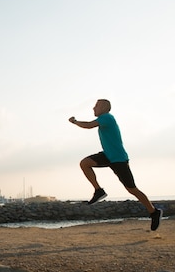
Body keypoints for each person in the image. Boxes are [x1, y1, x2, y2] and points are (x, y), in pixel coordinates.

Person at [69, 99, 163, 231]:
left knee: (132, 189)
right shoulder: (103, 118)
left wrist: (75, 121)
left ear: (104, 107)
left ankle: (154, 212)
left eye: (96, 106)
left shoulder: (107, 117)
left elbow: (89, 125)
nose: (93, 108)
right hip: (108, 155)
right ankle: (98, 191)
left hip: (118, 159)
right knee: (85, 163)